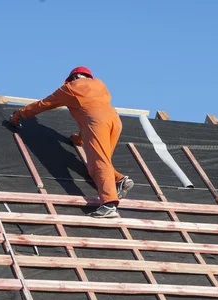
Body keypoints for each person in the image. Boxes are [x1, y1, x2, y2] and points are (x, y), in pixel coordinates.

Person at [10, 66, 134, 218]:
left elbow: (43, 104)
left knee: (99, 163)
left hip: (97, 123)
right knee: (100, 163)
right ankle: (120, 180)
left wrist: (19, 114)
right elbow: (91, 112)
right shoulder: (99, 84)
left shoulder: (69, 89)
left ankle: (109, 204)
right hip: (115, 121)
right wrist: (79, 139)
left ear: (73, 78)